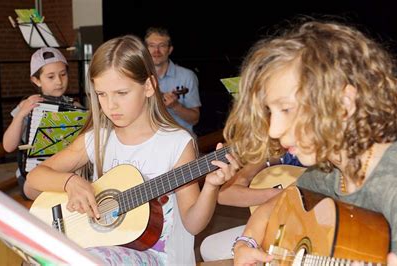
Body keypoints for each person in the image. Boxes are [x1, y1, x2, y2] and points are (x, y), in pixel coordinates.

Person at [25, 35, 239, 265]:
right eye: (101, 94)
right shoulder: (97, 139)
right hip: (101, 247)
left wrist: (211, 187)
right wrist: (70, 183)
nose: (110, 105)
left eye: (121, 93)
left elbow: (193, 224)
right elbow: (34, 178)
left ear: (148, 86)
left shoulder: (176, 144)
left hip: (160, 257)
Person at [223, 21, 397, 265]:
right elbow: (276, 204)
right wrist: (246, 243)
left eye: (286, 109)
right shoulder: (329, 172)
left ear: (344, 103)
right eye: (271, 113)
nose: (274, 130)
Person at [199, 152, 302, 261]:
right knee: (210, 247)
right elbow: (224, 194)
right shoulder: (282, 150)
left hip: (307, 226)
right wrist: (277, 195)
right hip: (280, 222)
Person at [3, 47, 71, 200]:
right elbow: (8, 146)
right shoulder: (28, 106)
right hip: (32, 176)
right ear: (36, 80)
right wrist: (20, 115)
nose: (59, 81)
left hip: (63, 170)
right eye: (51, 77)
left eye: (63, 74)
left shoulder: (75, 107)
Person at [144, 27, 201, 135]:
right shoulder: (138, 76)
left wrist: (176, 106)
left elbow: (194, 119)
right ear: (145, 49)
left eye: (162, 45)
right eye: (151, 46)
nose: (156, 51)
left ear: (170, 49)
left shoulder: (187, 76)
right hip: (147, 140)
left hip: (181, 141)